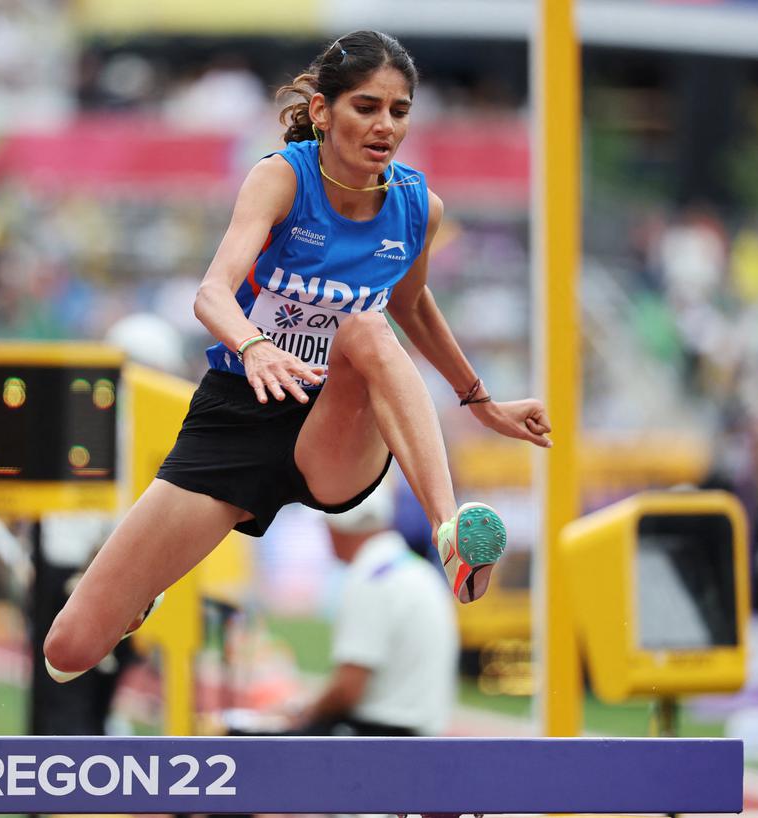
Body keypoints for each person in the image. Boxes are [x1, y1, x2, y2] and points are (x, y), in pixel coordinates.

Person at [44, 30, 551, 681]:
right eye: (366, 107)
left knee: (366, 329)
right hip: (240, 412)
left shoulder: (418, 208)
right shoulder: (281, 178)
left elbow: (412, 305)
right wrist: (255, 348)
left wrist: (479, 400)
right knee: (69, 649)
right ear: (321, 112)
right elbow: (212, 293)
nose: (384, 126)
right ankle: (143, 590)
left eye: (399, 111)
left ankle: (449, 529)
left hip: (333, 423)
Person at [295, 480, 457, 736]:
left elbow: (348, 688)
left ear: (341, 528)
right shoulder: (416, 569)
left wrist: (302, 713)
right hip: (419, 736)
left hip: (381, 737)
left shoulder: (370, 579)